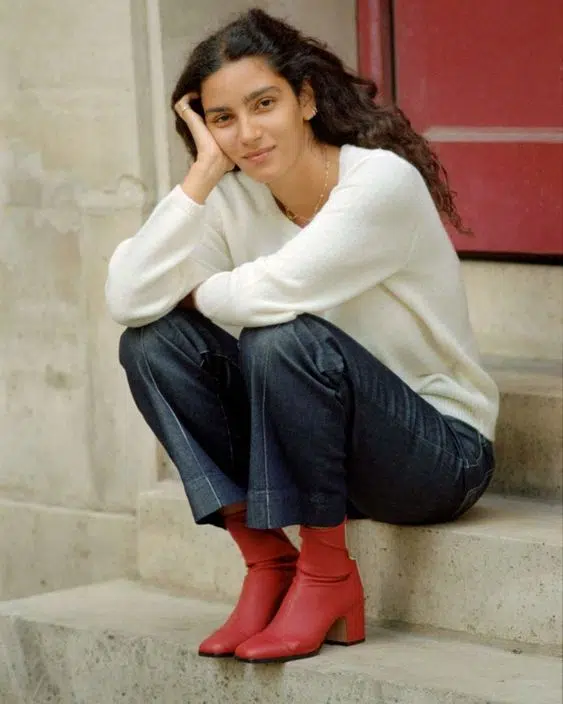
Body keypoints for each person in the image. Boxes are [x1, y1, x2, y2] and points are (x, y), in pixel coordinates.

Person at [105, 8, 498, 664]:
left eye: (264, 104)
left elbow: (271, 293)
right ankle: (268, 562)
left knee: (279, 336)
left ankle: (327, 572)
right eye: (223, 118)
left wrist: (198, 289)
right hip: (324, 452)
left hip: (436, 456)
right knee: (151, 343)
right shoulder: (227, 199)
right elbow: (129, 299)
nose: (247, 133)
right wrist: (200, 178)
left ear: (305, 98)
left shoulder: (378, 184)